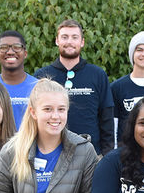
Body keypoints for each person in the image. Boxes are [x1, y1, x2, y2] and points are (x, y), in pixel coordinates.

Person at [35, 19, 113, 155]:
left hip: (91, 154)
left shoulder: (97, 74)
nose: (69, 42)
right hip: (52, 153)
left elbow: (107, 119)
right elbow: (34, 116)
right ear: (57, 41)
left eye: (74, 37)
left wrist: (107, 156)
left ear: (82, 42)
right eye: (64, 37)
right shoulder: (42, 76)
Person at [0, 30, 37, 130]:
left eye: (16, 47)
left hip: (31, 145)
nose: (10, 52)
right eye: (4, 47)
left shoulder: (38, 88)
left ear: (25, 53)